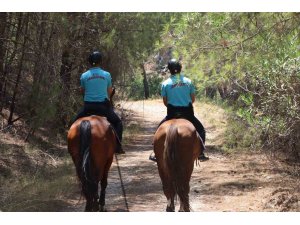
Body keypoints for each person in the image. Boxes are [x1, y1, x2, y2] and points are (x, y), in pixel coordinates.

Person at [150, 58, 209, 161]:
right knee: (201, 130)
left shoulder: (165, 83)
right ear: (180, 68)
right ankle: (200, 153)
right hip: (188, 114)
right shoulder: (188, 82)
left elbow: (165, 102)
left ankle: (155, 153)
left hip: (172, 113)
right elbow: (193, 99)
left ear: (170, 70)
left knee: (158, 131)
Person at [73, 51, 124, 154]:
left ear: (89, 62)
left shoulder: (84, 76)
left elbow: (83, 92)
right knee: (118, 123)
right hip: (103, 107)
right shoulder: (106, 75)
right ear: (100, 61)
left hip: (88, 107)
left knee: (74, 124)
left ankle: (72, 147)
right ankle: (117, 147)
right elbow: (109, 92)